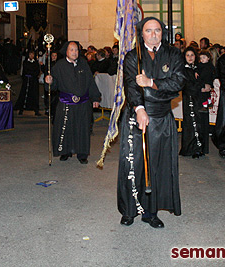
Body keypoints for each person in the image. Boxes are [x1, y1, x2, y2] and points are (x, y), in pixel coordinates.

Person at [117, 17, 185, 229]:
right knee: (133, 164)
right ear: (142, 33)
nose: (153, 34)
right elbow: (131, 85)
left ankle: (150, 212)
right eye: (149, 31)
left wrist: (151, 82)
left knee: (157, 166)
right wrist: (139, 108)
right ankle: (129, 210)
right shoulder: (132, 56)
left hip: (162, 118)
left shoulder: (173, 54)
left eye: (157, 30)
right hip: (138, 117)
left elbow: (178, 82)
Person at [44, 41, 101, 164]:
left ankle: (82, 154)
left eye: (76, 50)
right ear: (66, 51)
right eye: (72, 50)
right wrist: (50, 81)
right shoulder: (59, 66)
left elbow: (90, 82)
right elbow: (53, 87)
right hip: (66, 104)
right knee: (66, 129)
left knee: (82, 129)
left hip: (83, 104)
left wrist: (95, 98)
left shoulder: (83, 64)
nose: (75, 52)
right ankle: (65, 151)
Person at [179, 47, 211, 158]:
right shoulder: (183, 69)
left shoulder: (199, 68)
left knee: (200, 123)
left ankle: (200, 147)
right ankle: (192, 149)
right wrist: (201, 87)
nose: (190, 57)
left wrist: (206, 85)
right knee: (192, 123)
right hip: (190, 99)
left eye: (192, 55)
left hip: (199, 99)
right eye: (187, 55)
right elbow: (187, 85)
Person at [14, 50, 41, 115]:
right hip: (27, 80)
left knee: (34, 94)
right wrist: (31, 72)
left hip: (34, 80)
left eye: (32, 54)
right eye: (30, 54)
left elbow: (37, 71)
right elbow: (26, 70)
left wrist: (33, 73)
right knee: (24, 94)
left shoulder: (36, 62)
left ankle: (35, 109)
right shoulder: (25, 62)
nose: (31, 56)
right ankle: (22, 108)